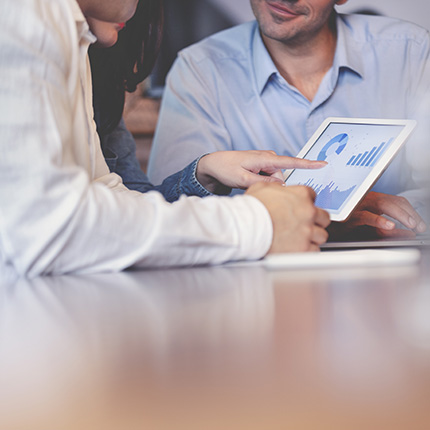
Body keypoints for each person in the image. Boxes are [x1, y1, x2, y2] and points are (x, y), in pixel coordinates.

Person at [0, 0, 330, 277]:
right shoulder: (25, 14)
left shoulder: (74, 36)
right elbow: (48, 229)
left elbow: (110, 195)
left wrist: (204, 170)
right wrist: (258, 222)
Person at [148, 0, 429, 239]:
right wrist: (329, 209)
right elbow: (168, 211)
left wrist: (378, 210)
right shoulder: (199, 70)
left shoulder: (413, 52)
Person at [89, 0, 327, 201]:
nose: (132, 9)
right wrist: (261, 219)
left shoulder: (99, 83)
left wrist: (204, 170)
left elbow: (138, 203)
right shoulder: (199, 66)